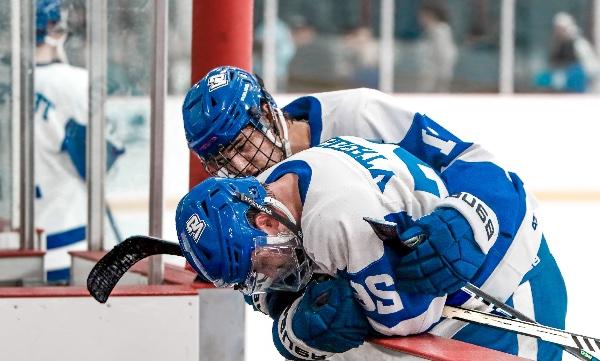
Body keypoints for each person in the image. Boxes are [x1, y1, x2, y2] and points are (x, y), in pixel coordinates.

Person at [175, 136, 566, 361]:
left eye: (264, 263)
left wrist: (304, 326)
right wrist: (294, 319)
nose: (270, 275)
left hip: (504, 292)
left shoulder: (335, 220)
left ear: (266, 222)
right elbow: (267, 295)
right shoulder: (273, 183)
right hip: (460, 300)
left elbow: (406, 323)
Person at [183, 65, 524, 297]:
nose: (242, 165)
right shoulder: (253, 193)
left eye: (242, 146)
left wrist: (463, 224)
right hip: (420, 306)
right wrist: (289, 314)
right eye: (224, 162)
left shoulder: (356, 114)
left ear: (268, 113)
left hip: (506, 266)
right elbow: (259, 273)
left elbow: (467, 159)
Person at [34, 0, 123, 283]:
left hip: (14, 246)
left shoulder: (9, 82)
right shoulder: (75, 83)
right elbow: (102, 164)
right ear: (53, 27)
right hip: (69, 245)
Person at [536, 12, 600, 93]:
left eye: (561, 29)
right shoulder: (557, 44)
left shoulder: (579, 44)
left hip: (576, 83)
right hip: (560, 80)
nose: (558, 32)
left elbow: (592, 68)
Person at [416, 1, 458, 92]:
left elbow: (446, 56)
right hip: (430, 77)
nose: (420, 19)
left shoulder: (441, 31)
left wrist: (441, 77)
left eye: (422, 15)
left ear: (430, 15)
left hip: (437, 79)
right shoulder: (430, 31)